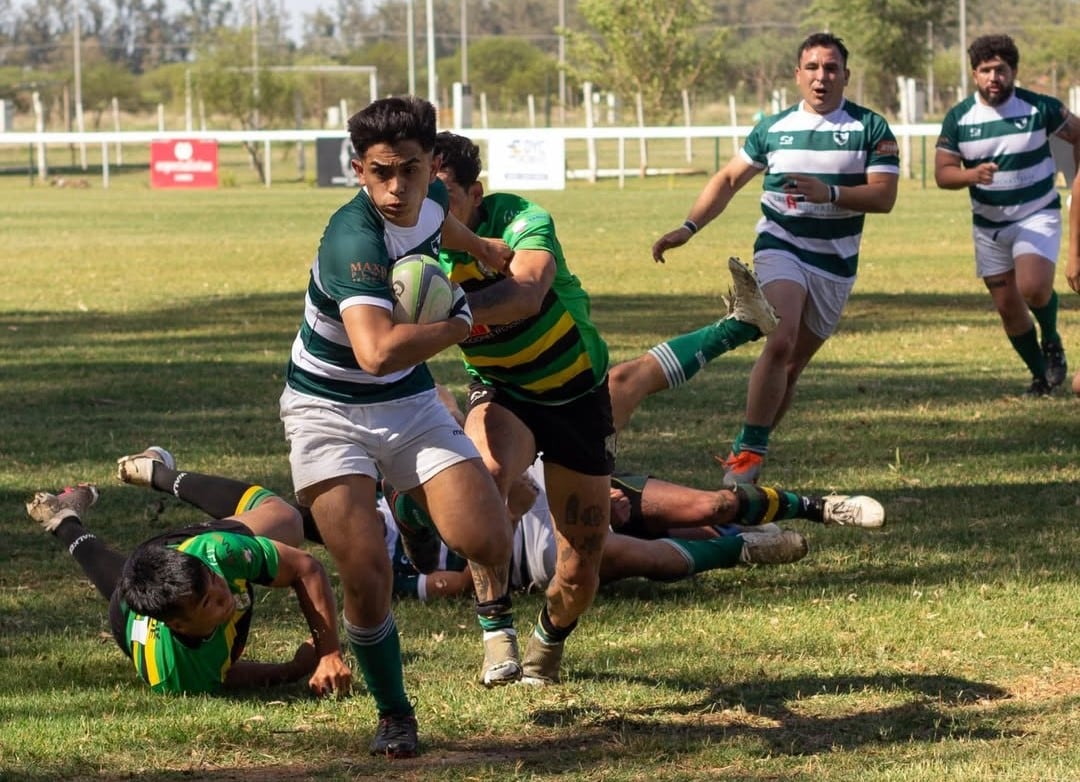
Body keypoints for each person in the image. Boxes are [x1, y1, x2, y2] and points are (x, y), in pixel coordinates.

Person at [278, 97, 518, 758]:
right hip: (329, 410)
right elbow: (377, 352)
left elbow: (443, 229)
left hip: (406, 401)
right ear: (358, 169)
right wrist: (459, 324)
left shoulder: (431, 199)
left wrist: (490, 249)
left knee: (490, 541)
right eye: (380, 172)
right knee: (365, 572)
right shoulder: (352, 238)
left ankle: (410, 503)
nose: (396, 188)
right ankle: (395, 713)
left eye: (409, 170)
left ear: (430, 165)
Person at [651, 32, 899, 485]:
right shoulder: (774, 129)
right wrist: (687, 228)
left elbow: (884, 196)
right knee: (779, 338)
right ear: (797, 74)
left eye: (830, 68)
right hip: (781, 245)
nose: (821, 77)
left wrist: (832, 193)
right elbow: (728, 179)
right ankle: (746, 464)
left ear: (846, 74)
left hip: (835, 264)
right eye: (812, 67)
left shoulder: (872, 127)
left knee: (790, 366)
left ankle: (750, 448)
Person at [24, 447, 352, 698]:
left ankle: (159, 473)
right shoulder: (176, 674)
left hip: (175, 551)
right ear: (178, 624)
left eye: (214, 581)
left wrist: (329, 652)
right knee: (120, 583)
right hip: (130, 615)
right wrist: (290, 670)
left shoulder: (214, 554)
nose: (223, 594)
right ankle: (64, 520)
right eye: (209, 602)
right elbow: (226, 676)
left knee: (286, 519)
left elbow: (305, 567)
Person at [387, 461, 885, 602]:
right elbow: (457, 583)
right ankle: (743, 549)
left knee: (709, 503)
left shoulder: (396, 483)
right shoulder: (386, 572)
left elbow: (451, 416)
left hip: (547, 483)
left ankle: (816, 506)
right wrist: (510, 514)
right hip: (527, 554)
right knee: (636, 556)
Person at [935, 33, 1080, 396]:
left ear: (1013, 71)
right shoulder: (959, 118)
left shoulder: (1039, 108)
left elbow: (1079, 135)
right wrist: (970, 175)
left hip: (1036, 215)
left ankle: (1050, 337)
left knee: (1033, 286)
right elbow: (943, 172)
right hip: (988, 227)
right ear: (974, 74)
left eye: (1000, 69)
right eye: (985, 71)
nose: (993, 78)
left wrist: (1077, 180)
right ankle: (1040, 377)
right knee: (1008, 309)